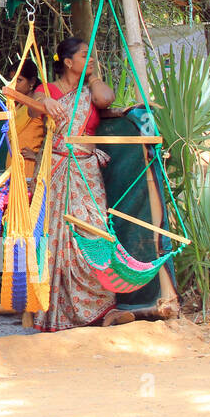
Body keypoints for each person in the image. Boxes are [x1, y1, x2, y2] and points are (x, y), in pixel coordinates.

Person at [31, 36, 135, 330]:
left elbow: (106, 99)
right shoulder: (48, 90)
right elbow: (33, 106)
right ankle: (58, 312)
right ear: (67, 62)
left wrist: (93, 75)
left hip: (86, 171)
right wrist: (45, 100)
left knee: (94, 232)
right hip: (56, 167)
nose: (90, 59)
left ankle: (102, 308)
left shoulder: (90, 90)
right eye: (84, 56)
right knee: (56, 237)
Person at [9, 59, 46, 178]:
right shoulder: (18, 106)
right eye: (12, 80)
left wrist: (36, 155)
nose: (14, 85)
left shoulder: (39, 105)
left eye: (19, 80)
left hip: (30, 167)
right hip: (12, 165)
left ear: (32, 82)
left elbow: (53, 135)